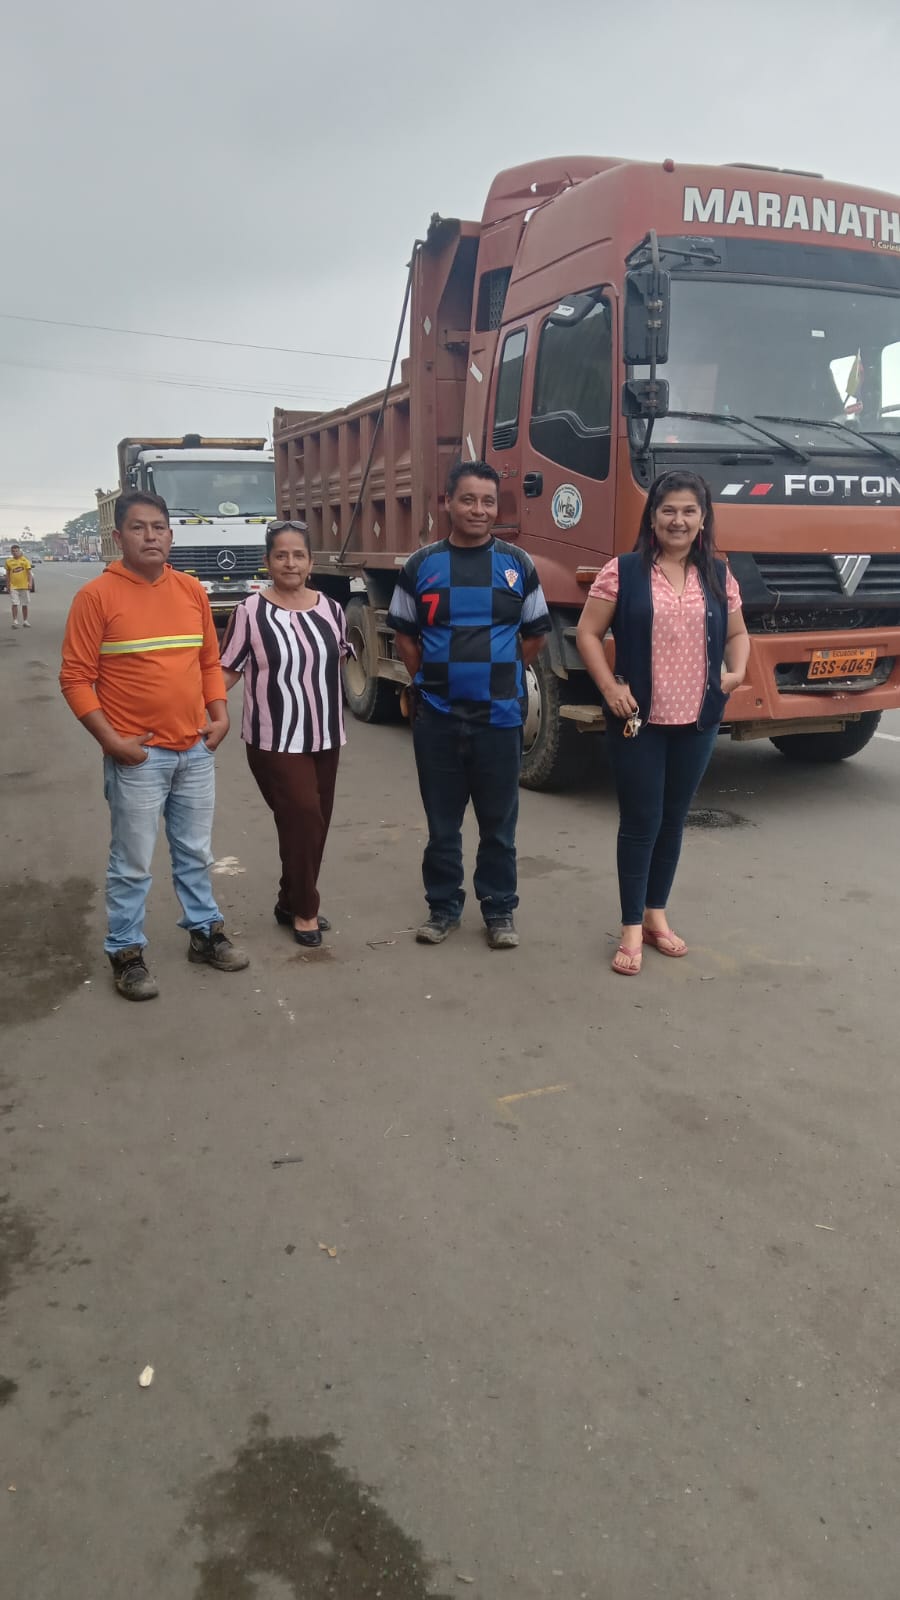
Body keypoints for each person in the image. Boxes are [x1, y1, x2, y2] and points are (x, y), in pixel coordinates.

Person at [60, 491, 248, 1000]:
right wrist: (112, 741)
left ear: (171, 534)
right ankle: (126, 952)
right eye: (139, 528)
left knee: (195, 852)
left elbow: (208, 662)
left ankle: (204, 933)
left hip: (195, 750)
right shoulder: (96, 597)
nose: (151, 537)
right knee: (132, 861)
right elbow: (75, 678)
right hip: (139, 757)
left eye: (159, 527)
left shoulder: (189, 590)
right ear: (118, 536)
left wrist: (219, 714)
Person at [575, 469, 750, 976]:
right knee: (641, 821)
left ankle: (656, 915)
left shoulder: (718, 574)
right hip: (639, 722)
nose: (678, 520)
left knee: (673, 820)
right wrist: (610, 688)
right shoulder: (623, 572)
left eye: (689, 511)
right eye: (668, 510)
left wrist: (736, 672)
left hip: (697, 721)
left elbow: (738, 634)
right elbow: (587, 633)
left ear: (703, 519)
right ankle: (631, 925)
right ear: (652, 517)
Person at [388, 460, 552, 949]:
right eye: (468, 500)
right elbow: (404, 636)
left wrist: (498, 676)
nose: (478, 510)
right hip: (437, 719)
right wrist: (432, 681)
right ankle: (442, 909)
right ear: (447, 502)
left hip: (499, 720)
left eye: (488, 501)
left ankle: (499, 911)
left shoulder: (518, 564)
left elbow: (536, 635)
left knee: (499, 826)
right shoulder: (421, 566)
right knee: (442, 826)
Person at [219, 520, 352, 949]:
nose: (290, 563)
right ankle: (305, 909)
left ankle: (287, 898)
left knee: (314, 825)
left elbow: (337, 663)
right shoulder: (249, 612)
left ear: (311, 563)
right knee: (303, 816)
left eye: (298, 555)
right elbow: (227, 671)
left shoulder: (332, 610)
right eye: (281, 555)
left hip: (325, 735)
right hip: (274, 738)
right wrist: (195, 707)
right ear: (267, 562)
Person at [6, 544, 33, 627]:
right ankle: (15, 621)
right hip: (13, 586)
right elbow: (7, 574)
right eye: (13, 551)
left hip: (24, 586)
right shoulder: (8, 561)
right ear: (11, 552)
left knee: (24, 604)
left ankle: (25, 621)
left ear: (19, 551)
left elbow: (29, 573)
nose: (15, 552)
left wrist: (30, 583)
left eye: (16, 551)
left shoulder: (25, 561)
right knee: (15, 603)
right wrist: (8, 585)